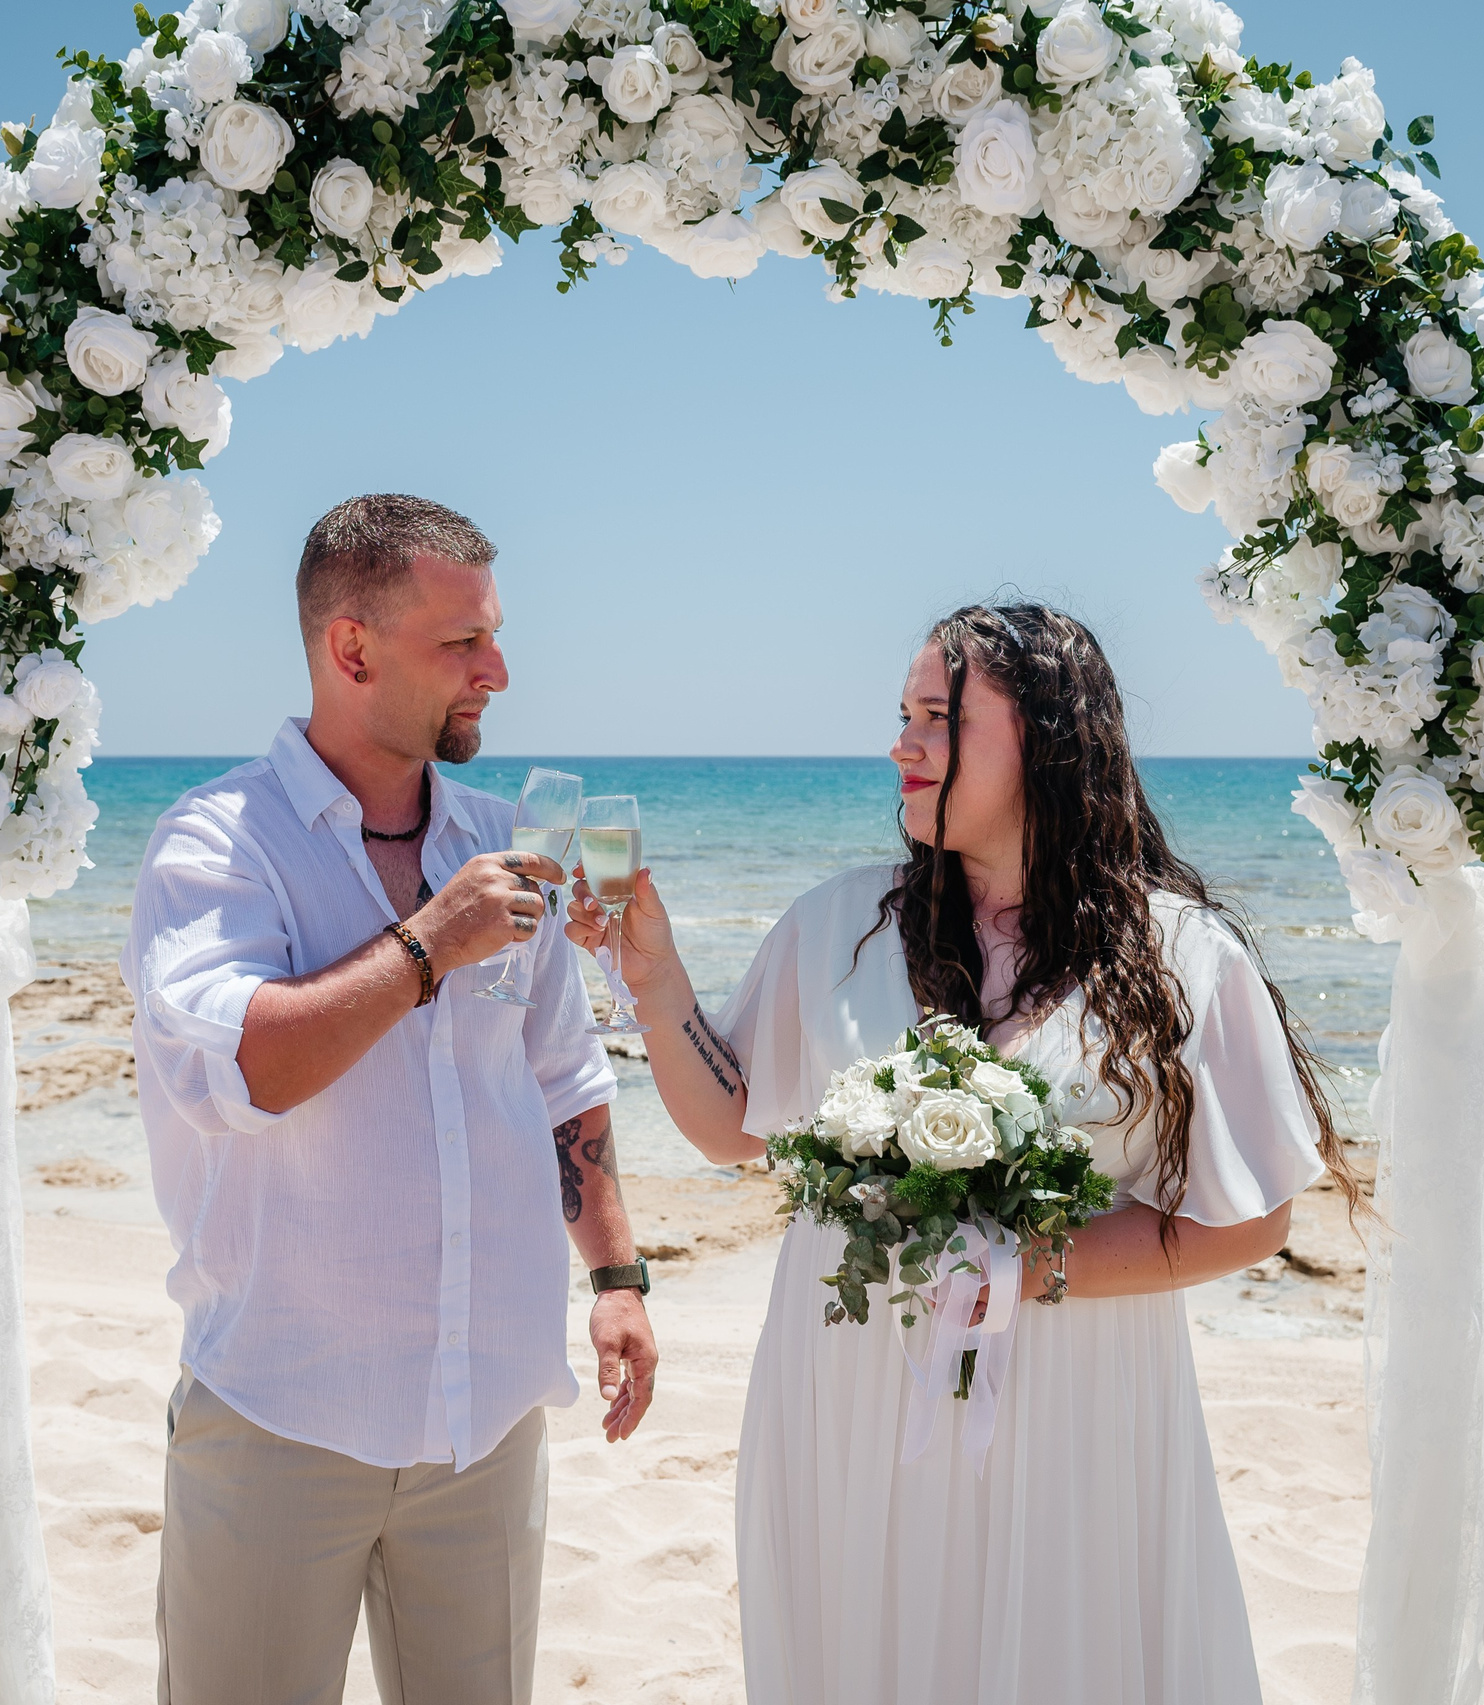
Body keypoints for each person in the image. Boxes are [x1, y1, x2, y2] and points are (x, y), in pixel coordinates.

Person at [568, 601, 1358, 1704]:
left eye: (937, 716)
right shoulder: (835, 923)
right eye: (901, 714)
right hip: (846, 1392)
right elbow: (728, 1125)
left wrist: (1027, 1268)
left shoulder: (1181, 957)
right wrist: (654, 986)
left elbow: (1250, 1218)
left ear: (1047, 739)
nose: (903, 743)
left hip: (1071, 1408)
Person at [123, 494, 659, 1705]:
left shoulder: (497, 838)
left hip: (486, 1415)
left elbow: (563, 1070)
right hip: (283, 1408)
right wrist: (429, 942)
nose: (499, 671)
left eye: (496, 636)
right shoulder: (216, 845)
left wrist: (618, 1277)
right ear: (350, 647)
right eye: (462, 644)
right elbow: (248, 1068)